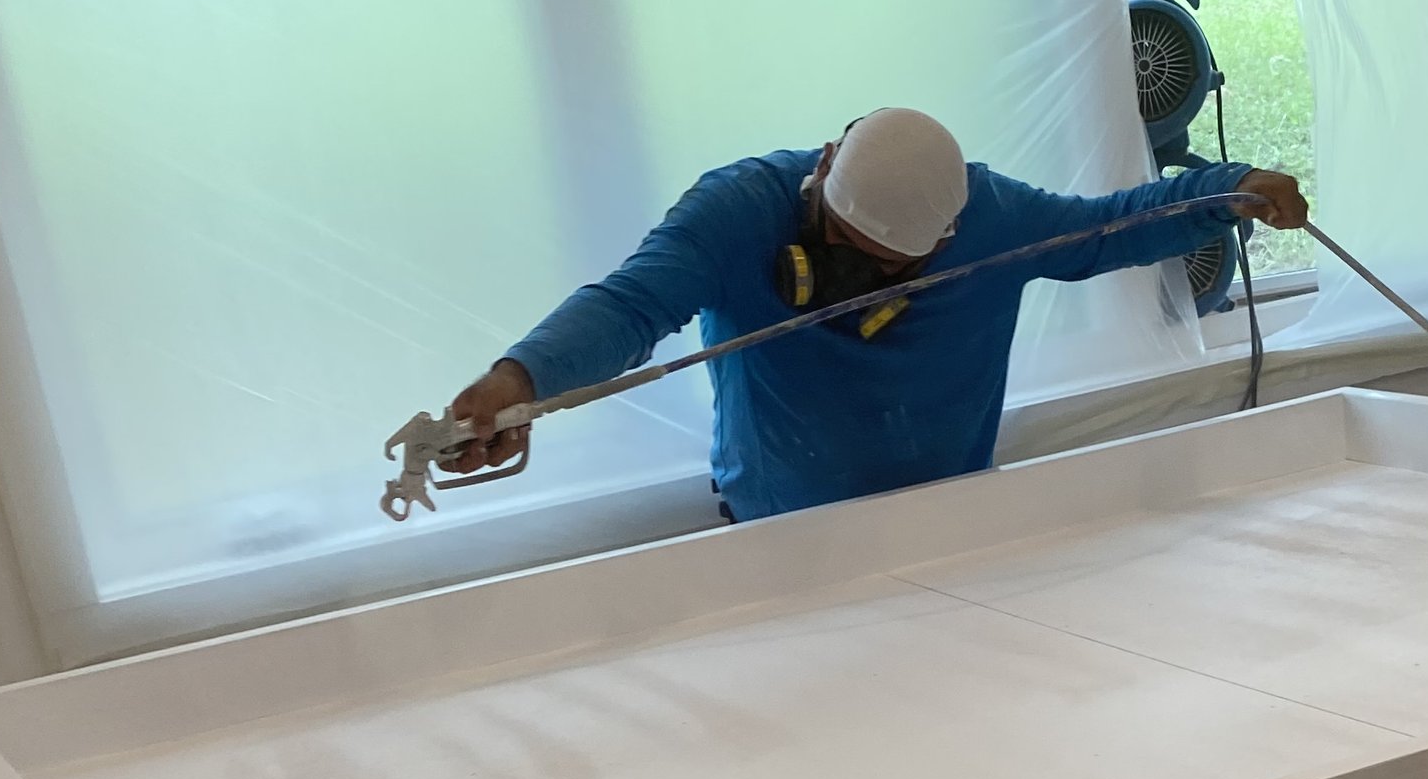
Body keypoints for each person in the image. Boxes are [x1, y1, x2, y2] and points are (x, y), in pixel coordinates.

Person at [446, 106, 1310, 523]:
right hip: (776, 540)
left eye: (888, 271)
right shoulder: (736, 213)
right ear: (821, 170)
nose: (856, 281)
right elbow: (628, 305)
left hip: (946, 525)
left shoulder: (991, 220)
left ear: (949, 236)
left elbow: (1105, 226)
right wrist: (518, 384)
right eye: (841, 248)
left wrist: (1228, 191)